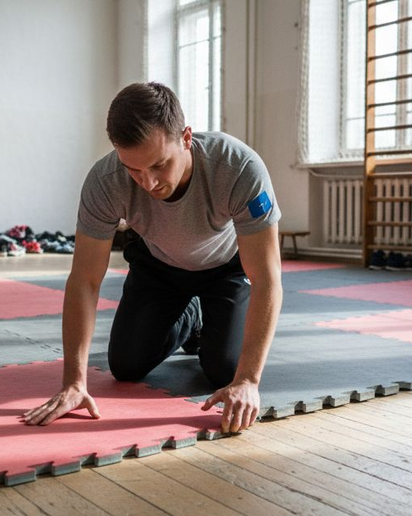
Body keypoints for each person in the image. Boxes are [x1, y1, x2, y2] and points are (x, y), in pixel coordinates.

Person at [21, 82, 282, 433]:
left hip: (226, 268)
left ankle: (206, 313)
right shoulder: (105, 181)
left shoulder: (237, 167)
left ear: (186, 138)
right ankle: (192, 315)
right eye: (134, 169)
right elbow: (84, 280)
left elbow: (267, 278)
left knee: (224, 371)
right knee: (126, 366)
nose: (149, 182)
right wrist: (73, 382)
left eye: (159, 165)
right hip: (159, 266)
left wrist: (249, 380)